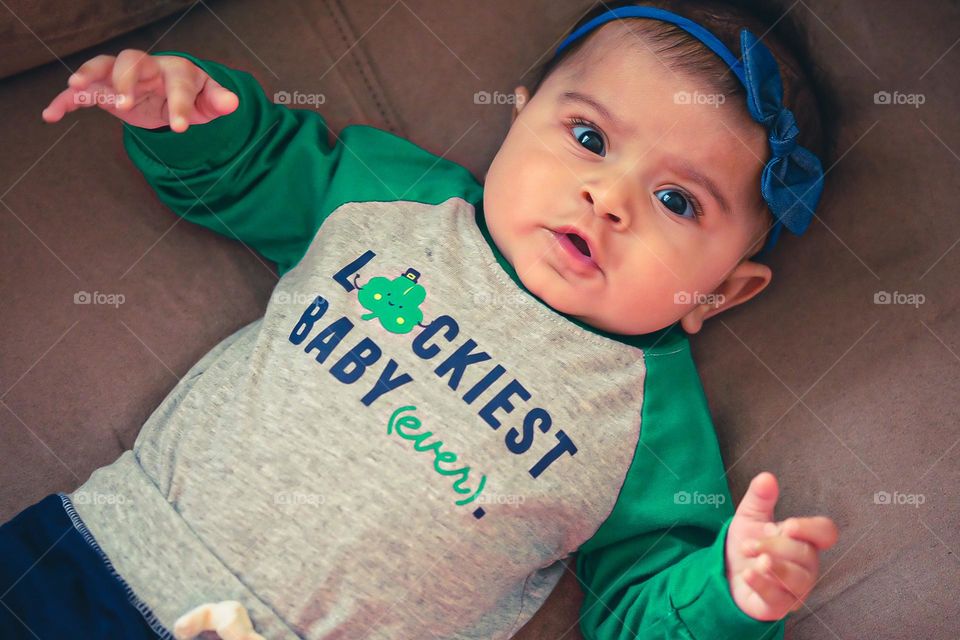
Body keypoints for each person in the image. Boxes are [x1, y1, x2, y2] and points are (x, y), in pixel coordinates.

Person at [12, 1, 838, 638]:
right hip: (95, 554)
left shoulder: (654, 424)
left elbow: (632, 603)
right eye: (589, 137)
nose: (610, 198)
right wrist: (182, 112)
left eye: (675, 200)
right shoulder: (392, 199)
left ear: (723, 292)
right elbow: (250, 172)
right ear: (519, 117)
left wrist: (725, 592)